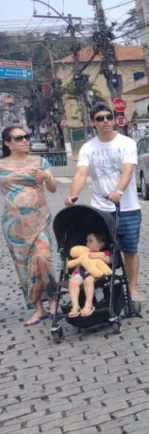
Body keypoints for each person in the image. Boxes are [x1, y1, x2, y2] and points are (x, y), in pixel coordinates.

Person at [66, 104, 144, 309]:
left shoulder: (126, 143)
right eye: (100, 118)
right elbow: (81, 173)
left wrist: (118, 191)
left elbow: (127, 171)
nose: (106, 121)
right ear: (93, 123)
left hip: (127, 208)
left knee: (130, 249)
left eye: (109, 117)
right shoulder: (88, 148)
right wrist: (72, 195)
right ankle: (99, 283)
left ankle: (133, 288)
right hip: (100, 209)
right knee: (99, 248)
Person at [1, 125, 60, 326]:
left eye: (27, 136)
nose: (25, 140)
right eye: (19, 138)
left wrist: (47, 177)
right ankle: (38, 309)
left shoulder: (40, 162)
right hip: (14, 225)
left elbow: (52, 188)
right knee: (25, 267)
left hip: (39, 219)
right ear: (7, 143)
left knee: (43, 258)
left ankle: (53, 302)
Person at [67, 232, 111, 318]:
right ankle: (75, 306)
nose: (87, 244)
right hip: (81, 272)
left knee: (88, 280)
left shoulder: (104, 252)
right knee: (72, 282)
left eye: (90, 241)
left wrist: (97, 256)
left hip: (94, 274)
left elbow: (108, 260)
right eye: (86, 241)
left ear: (101, 244)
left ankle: (88, 304)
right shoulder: (83, 253)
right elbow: (79, 262)